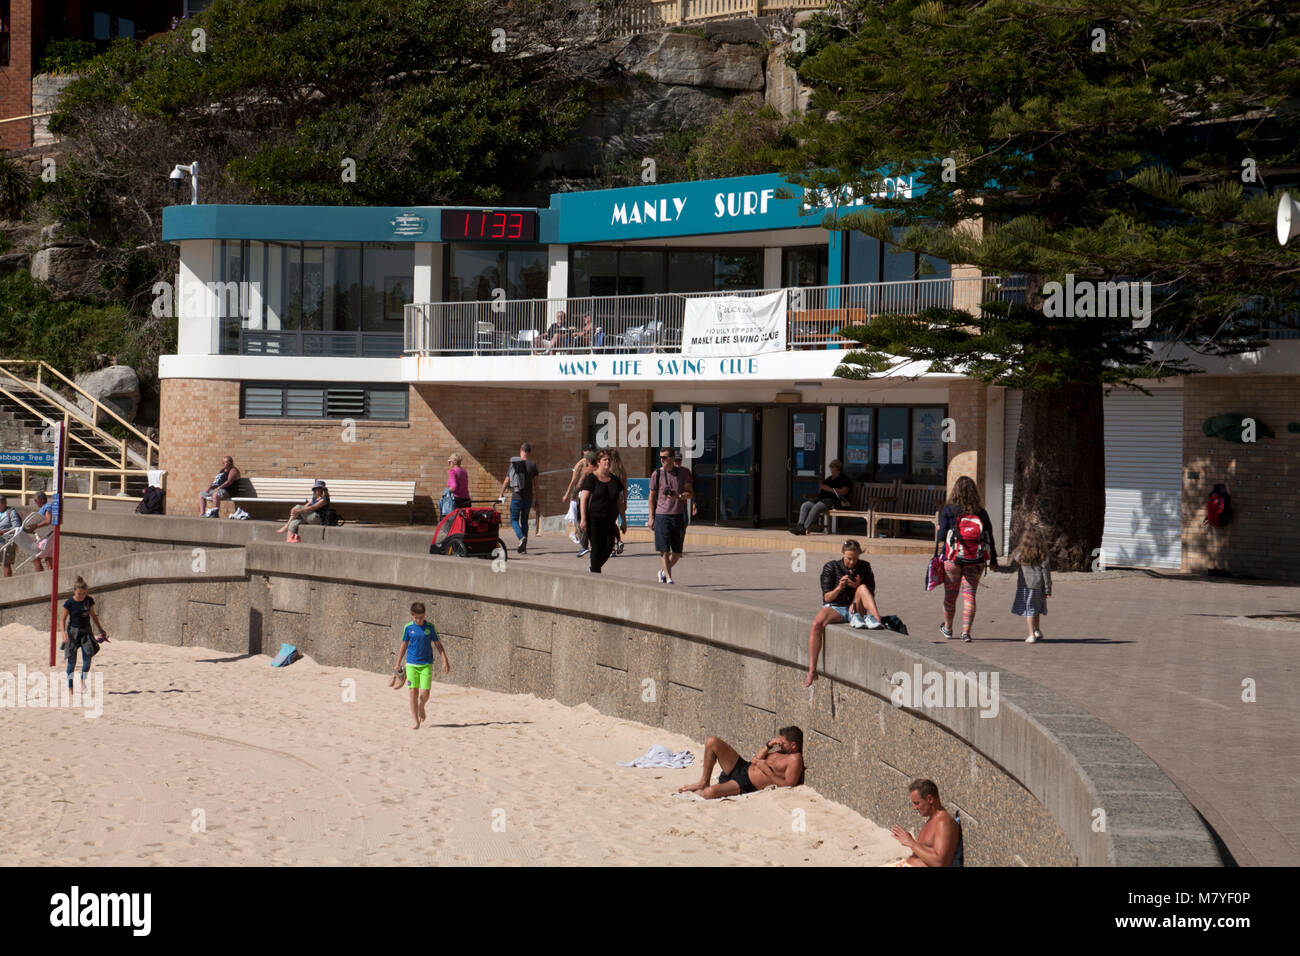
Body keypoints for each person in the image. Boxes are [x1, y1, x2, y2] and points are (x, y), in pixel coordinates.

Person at [806, 539, 885, 687]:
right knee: (816, 624)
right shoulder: (831, 567)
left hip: (856, 608)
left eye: (855, 559)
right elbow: (827, 597)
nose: (852, 562)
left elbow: (869, 594)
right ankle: (812, 670)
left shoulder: (865, 567)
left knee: (862, 589)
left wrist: (858, 585)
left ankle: (878, 619)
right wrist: (839, 587)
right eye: (849, 558)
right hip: (836, 606)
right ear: (843, 554)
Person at [936, 475, 999, 643]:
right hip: (975, 559)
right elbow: (989, 537)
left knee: (950, 595)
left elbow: (942, 536)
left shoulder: (949, 510)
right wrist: (993, 560)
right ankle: (966, 632)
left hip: (952, 559)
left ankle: (948, 629)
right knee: (969, 595)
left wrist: (939, 529)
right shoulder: (981, 512)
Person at [677, 727, 804, 799]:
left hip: (745, 783)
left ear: (793, 745)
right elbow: (756, 759)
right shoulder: (781, 752)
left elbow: (789, 784)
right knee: (712, 741)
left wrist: (767, 771)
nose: (780, 745)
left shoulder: (795, 759)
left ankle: (698, 792)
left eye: (783, 743)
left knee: (710, 793)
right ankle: (703, 782)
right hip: (743, 767)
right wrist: (768, 745)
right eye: (779, 743)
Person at [391, 601, 451, 729]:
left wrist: (445, 660)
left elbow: (438, 645)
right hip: (411, 663)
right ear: (412, 615)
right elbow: (403, 646)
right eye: (416, 617)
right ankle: (415, 721)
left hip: (426, 664)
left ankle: (421, 705)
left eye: (421, 617)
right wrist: (397, 663)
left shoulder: (430, 627)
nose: (419, 620)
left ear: (424, 615)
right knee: (413, 691)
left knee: (426, 693)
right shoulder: (408, 628)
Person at [890, 778, 963, 867]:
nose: (914, 807)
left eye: (917, 803)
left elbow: (940, 862)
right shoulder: (933, 820)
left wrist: (911, 843)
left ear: (930, 799)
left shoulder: (943, 823)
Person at [648, 447, 693, 584]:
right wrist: (651, 517)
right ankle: (668, 578)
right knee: (664, 551)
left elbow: (690, 493)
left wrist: (678, 496)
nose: (662, 460)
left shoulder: (683, 473)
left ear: (673, 459)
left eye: (665, 457)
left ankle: (663, 571)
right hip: (662, 516)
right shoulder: (656, 474)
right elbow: (651, 496)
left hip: (678, 515)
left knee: (677, 553)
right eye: (660, 457)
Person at [578, 449, 625, 574]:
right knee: (597, 548)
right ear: (598, 462)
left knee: (609, 547)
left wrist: (623, 521)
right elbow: (583, 499)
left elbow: (620, 502)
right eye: (604, 459)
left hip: (610, 520)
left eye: (609, 459)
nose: (607, 462)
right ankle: (595, 572)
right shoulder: (592, 478)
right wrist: (583, 519)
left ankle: (594, 568)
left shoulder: (615, 480)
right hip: (594, 520)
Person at [60, 576, 109, 693]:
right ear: (74, 592)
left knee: (87, 659)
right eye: (79, 593)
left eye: (84, 593)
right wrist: (63, 634)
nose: (82, 596)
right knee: (71, 662)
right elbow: (62, 620)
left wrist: (101, 629)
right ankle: (70, 686)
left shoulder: (89, 600)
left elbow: (93, 615)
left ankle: (83, 680)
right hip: (73, 633)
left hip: (86, 632)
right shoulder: (69, 603)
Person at [1007, 522, 1052, 643]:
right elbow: (1046, 574)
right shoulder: (1043, 554)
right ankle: (1037, 629)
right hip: (1038, 586)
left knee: (1029, 610)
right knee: (1036, 609)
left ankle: (1031, 634)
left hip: (1025, 587)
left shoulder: (1020, 553)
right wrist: (1048, 589)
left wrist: (997, 568)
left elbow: (1011, 568)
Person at [498, 443, 540, 554]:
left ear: (521, 450)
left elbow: (507, 480)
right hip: (528, 498)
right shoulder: (533, 465)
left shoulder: (515, 464)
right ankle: (523, 548)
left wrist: (501, 493)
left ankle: (521, 538)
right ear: (529, 452)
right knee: (524, 521)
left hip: (516, 497)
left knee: (513, 520)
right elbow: (536, 485)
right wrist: (537, 499)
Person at [791, 459, 852, 535]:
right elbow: (821, 490)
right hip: (820, 499)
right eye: (831, 471)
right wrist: (818, 491)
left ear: (839, 469)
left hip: (832, 500)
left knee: (816, 507)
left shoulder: (844, 479)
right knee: (805, 505)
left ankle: (805, 528)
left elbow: (844, 491)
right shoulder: (829, 479)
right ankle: (800, 525)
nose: (832, 473)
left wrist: (828, 489)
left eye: (834, 471)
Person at [562, 443, 597, 553]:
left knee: (585, 519)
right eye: (588, 450)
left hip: (590, 494)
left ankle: (585, 543)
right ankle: (584, 542)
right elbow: (574, 481)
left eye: (591, 450)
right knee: (581, 519)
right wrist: (569, 494)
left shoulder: (594, 463)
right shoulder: (581, 464)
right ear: (584, 452)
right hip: (582, 494)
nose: (590, 452)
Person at [27, 491, 55, 573]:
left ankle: (39, 579)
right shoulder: (47, 507)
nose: (35, 502)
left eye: (35, 500)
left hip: (47, 537)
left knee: (35, 558)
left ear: (41, 500)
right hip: (48, 536)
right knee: (48, 559)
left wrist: (36, 526)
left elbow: (48, 520)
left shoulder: (47, 507)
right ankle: (50, 579)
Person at [608, 449, 628, 555]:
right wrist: (625, 502)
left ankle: (612, 548)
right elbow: (625, 488)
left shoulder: (609, 470)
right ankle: (619, 541)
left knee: (608, 524)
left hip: (609, 499)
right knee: (612, 523)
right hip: (619, 499)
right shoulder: (622, 470)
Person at [0, 495, 20, 577]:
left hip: (8, 540)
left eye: (1, 503)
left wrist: (3, 531)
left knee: (6, 563)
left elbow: (17, 527)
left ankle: (7, 582)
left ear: (4, 503)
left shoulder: (11, 512)